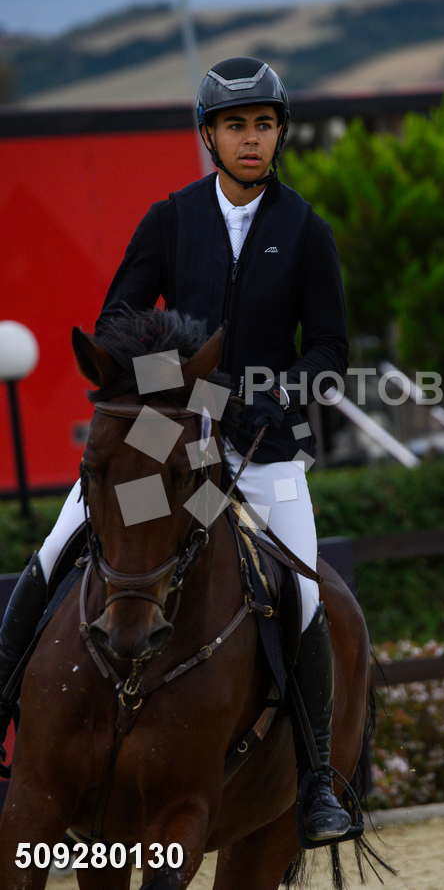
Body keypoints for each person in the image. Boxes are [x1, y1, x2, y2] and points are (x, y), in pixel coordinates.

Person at [0, 57, 351, 843]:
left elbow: (330, 348)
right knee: (57, 550)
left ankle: (317, 782)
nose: (251, 139)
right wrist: (179, 388)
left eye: (263, 125)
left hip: (260, 447)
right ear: (209, 136)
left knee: (303, 597)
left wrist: (282, 389)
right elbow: (115, 322)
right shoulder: (170, 219)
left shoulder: (305, 231)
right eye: (235, 126)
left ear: (279, 134)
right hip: (167, 438)